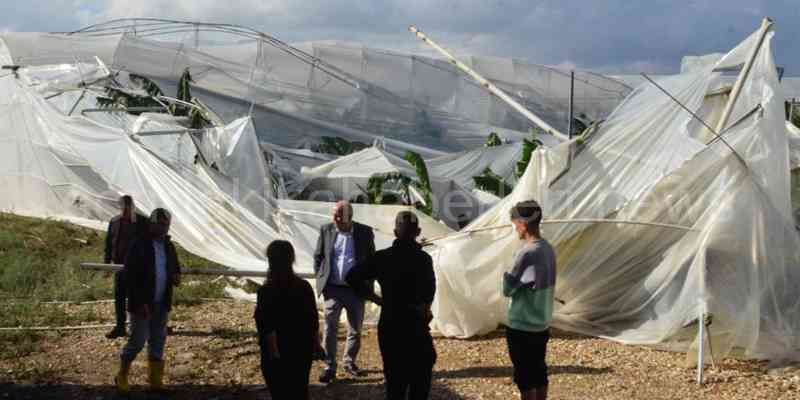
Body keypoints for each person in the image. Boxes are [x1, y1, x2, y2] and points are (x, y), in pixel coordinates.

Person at [346, 211, 436, 400]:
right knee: (420, 382)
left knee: (395, 383)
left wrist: (374, 298)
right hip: (416, 326)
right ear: (418, 231)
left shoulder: (383, 258)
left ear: (395, 232)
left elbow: (352, 277)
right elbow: (429, 293)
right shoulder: (424, 260)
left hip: (391, 324)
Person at [115, 208, 181, 393]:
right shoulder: (139, 244)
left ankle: (155, 381)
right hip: (142, 302)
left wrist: (176, 275)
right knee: (138, 340)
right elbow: (131, 276)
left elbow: (175, 266)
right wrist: (140, 302)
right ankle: (122, 374)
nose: (164, 228)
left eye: (166, 225)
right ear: (152, 223)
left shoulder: (168, 246)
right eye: (160, 224)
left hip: (161, 301)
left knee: (158, 339)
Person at [314, 200, 376, 383]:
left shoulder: (364, 232)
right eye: (334, 214)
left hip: (356, 290)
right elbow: (318, 256)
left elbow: (371, 261)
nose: (335, 218)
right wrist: (321, 280)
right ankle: (329, 365)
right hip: (333, 289)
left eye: (340, 215)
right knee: (330, 327)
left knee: (355, 328)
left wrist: (367, 285)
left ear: (350, 217)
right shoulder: (326, 230)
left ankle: (349, 362)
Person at [254, 240, 322, 400]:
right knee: (300, 390)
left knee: (279, 393)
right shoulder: (304, 287)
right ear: (292, 259)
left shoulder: (265, 291)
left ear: (270, 260)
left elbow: (266, 326)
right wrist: (316, 345)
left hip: (277, 350)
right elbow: (312, 320)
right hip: (301, 348)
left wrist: (274, 352)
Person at [503, 200, 557, 400]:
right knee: (539, 374)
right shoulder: (548, 249)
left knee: (525, 378)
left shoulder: (527, 252)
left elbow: (508, 290)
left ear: (522, 224)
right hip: (541, 323)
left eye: (515, 223)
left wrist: (505, 275)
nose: (514, 228)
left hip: (522, 326)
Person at [104, 195, 148, 339]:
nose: (125, 210)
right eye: (123, 207)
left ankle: (140, 327)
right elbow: (109, 243)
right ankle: (120, 327)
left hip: (137, 267)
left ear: (132, 207)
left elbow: (148, 243)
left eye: (128, 207)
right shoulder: (115, 221)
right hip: (119, 266)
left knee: (138, 297)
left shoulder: (141, 222)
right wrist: (107, 265)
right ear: (120, 207)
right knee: (120, 297)